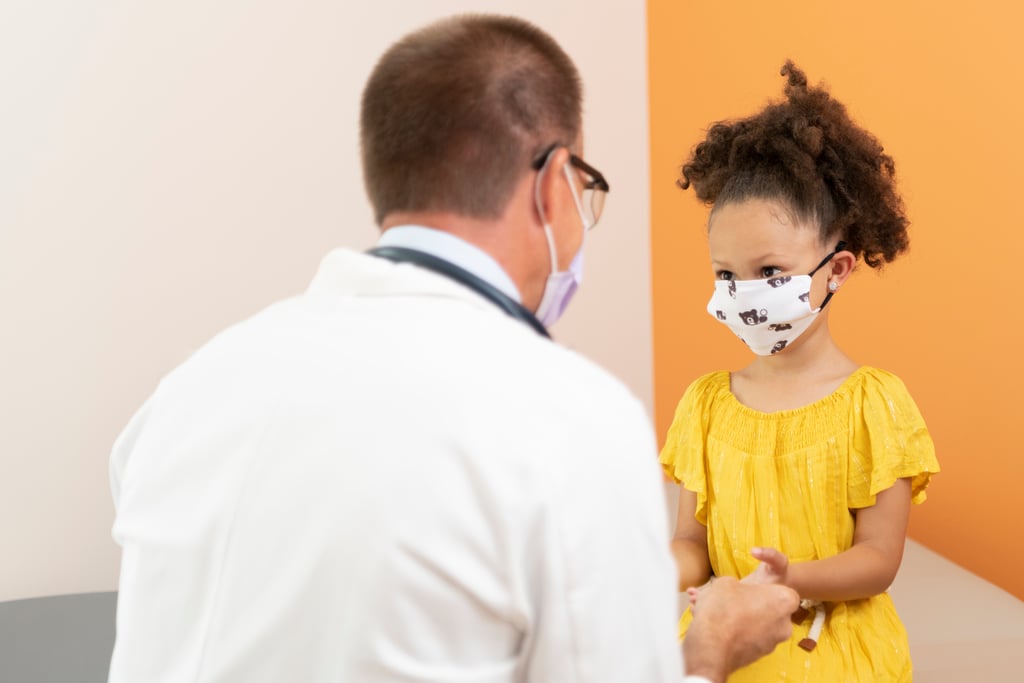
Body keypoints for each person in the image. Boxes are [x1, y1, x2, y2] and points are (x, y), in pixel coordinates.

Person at [107, 14, 797, 683]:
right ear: (555, 184)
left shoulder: (187, 390)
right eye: (585, 190)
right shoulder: (570, 422)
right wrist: (712, 649)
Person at [662, 61, 942, 681]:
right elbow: (692, 543)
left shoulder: (874, 403)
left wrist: (792, 580)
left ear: (835, 270)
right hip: (724, 643)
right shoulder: (706, 405)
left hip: (831, 652)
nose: (746, 293)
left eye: (770, 273)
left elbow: (879, 556)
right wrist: (653, 570)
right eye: (728, 275)